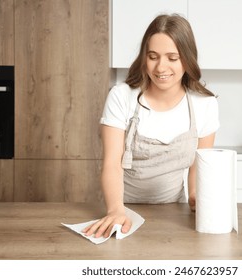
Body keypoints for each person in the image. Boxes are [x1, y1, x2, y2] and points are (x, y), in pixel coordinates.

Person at [83, 14, 219, 238]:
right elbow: (111, 164)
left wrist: (196, 197)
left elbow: (199, 166)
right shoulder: (121, 96)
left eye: (172, 58)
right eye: (153, 56)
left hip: (175, 213)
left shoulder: (205, 104)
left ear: (187, 58)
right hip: (122, 209)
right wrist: (116, 210)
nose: (160, 67)